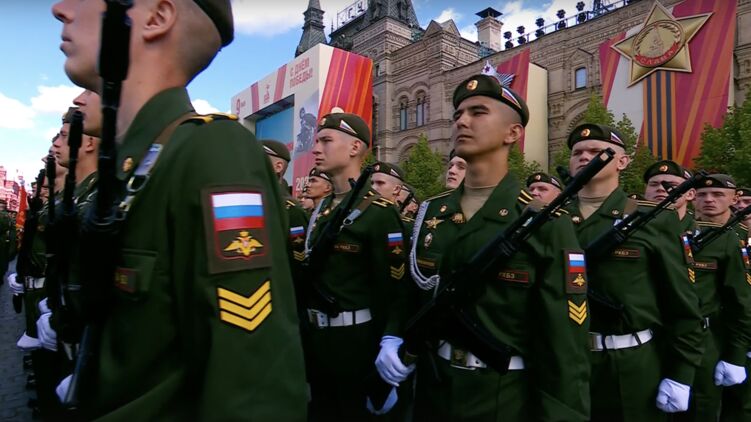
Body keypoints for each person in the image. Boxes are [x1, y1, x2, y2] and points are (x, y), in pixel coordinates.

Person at [52, 0, 307, 419]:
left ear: (156, 18)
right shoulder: (128, 166)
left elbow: (253, 387)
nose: (60, 9)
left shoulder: (212, 152)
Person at [404, 74, 590, 420]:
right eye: (458, 114)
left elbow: (565, 343)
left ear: (512, 133)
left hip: (503, 395)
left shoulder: (544, 221)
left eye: (478, 112)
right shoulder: (432, 211)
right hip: (434, 387)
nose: (462, 121)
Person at [565, 123, 704, 420]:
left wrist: (681, 374)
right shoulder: (553, 218)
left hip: (630, 364)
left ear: (622, 162)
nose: (584, 156)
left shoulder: (652, 219)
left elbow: (681, 305)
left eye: (596, 151)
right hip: (563, 361)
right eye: (577, 152)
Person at [303, 110, 409, 420]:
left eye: (325, 140)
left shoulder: (379, 212)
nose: (316, 149)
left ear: (354, 147)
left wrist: (390, 340)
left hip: (355, 342)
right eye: (316, 141)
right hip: (316, 340)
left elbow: (394, 288)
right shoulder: (323, 209)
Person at [673, 174, 751, 422]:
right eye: (703, 194)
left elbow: (741, 300)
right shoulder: (677, 233)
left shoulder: (737, 236)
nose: (709, 199)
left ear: (733, 199)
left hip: (717, 334)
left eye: (717, 194)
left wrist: (738, 352)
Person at [642, 160, 696, 232]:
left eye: (671, 185)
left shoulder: (698, 231)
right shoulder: (632, 225)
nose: (660, 188)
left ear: (690, 194)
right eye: (654, 184)